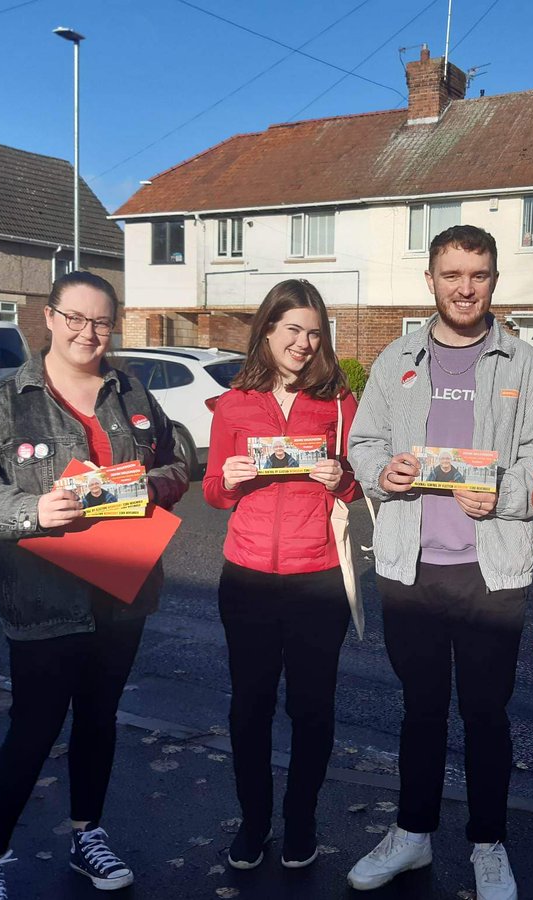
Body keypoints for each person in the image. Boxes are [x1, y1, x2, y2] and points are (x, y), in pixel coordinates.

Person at [0, 271, 188, 900]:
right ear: (48, 318)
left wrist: (158, 484)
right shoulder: (6, 402)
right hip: (44, 599)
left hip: (122, 590)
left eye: (101, 321)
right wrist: (31, 513)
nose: (87, 332)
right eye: (74, 317)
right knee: (33, 731)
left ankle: (87, 836)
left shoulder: (129, 387)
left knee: (99, 720)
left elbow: (177, 452)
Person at [347, 225, 533, 900]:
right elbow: (363, 442)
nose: (464, 288)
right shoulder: (397, 359)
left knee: (486, 714)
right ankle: (412, 836)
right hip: (410, 567)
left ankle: (487, 844)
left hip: (490, 570)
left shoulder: (523, 364)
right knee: (420, 710)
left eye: (478, 275)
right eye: (451, 274)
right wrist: (388, 471)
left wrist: (501, 492)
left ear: (494, 281)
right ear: (431, 280)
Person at [203, 279, 360, 871]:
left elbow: (359, 487)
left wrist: (339, 479)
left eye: (315, 333)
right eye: (293, 329)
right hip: (245, 579)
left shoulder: (340, 404)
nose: (303, 342)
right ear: (267, 330)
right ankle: (253, 822)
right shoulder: (234, 403)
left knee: (313, 711)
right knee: (249, 708)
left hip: (318, 579)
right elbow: (215, 491)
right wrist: (234, 478)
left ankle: (301, 822)